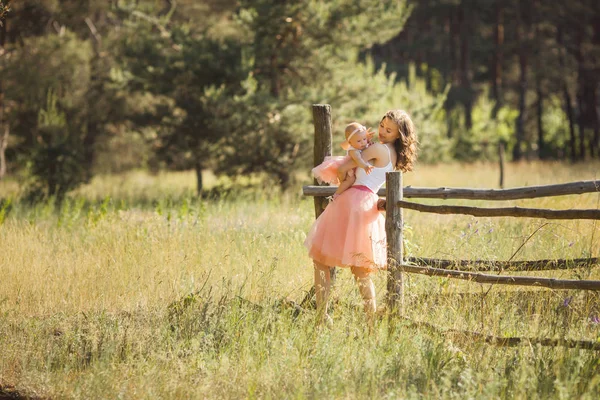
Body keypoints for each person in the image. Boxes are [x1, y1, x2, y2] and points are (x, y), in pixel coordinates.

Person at [304, 109, 418, 324]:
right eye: (382, 125)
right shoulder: (393, 154)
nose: (382, 131)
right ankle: (370, 323)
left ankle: (321, 316)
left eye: (389, 130)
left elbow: (345, 167)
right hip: (368, 204)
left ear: (398, 134)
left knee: (320, 260)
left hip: (353, 201)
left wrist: (343, 173)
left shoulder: (377, 148)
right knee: (361, 270)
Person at [312, 122, 375, 199]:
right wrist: (365, 167)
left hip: (352, 168)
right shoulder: (353, 151)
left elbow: (366, 146)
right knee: (349, 181)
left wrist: (369, 141)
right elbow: (358, 160)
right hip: (349, 170)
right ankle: (336, 195)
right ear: (350, 143)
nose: (363, 142)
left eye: (364, 139)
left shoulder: (361, 145)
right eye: (359, 141)